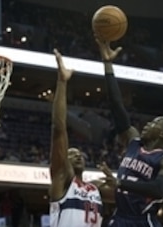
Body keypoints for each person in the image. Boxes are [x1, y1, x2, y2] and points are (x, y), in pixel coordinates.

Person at [95, 37, 163, 227]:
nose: (148, 124)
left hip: (143, 221)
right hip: (119, 218)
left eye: (155, 123)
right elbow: (116, 106)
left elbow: (159, 190)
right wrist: (107, 64)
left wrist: (120, 183)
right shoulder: (133, 141)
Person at [49, 49, 115, 227]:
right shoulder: (62, 179)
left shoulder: (96, 188)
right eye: (71, 153)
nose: (78, 155)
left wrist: (117, 182)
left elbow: (127, 198)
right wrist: (62, 82)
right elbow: (58, 129)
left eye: (79, 153)